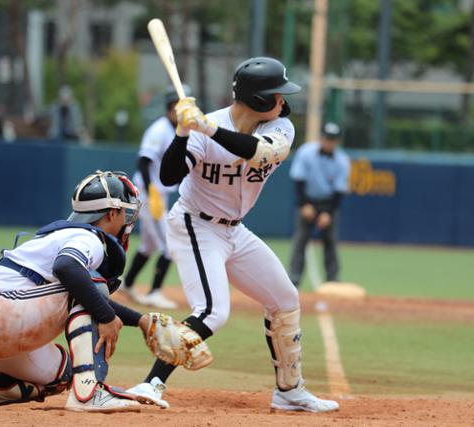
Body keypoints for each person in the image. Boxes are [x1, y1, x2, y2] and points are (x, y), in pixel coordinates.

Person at [125, 57, 339, 413]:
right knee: (212, 311)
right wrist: (183, 132)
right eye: (277, 95)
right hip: (195, 224)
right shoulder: (204, 128)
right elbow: (168, 176)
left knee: (285, 299)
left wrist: (205, 128)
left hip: (234, 230)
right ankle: (150, 384)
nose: (284, 102)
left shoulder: (281, 129)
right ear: (257, 100)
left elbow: (260, 153)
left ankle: (288, 391)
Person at [0, 171, 209, 412]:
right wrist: (104, 316)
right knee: (91, 288)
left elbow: (69, 285)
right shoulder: (88, 237)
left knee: (66, 373)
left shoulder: (63, 235)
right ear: (111, 214)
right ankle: (90, 393)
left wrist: (141, 321)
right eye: (126, 213)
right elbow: (68, 269)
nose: (128, 221)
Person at [121, 85, 193, 310]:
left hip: (158, 194)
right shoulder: (159, 129)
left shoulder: (179, 129)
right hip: (147, 193)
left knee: (150, 245)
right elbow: (144, 160)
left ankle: (128, 283)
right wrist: (151, 190)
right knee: (170, 245)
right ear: (172, 108)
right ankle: (154, 292)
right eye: (180, 107)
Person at [288, 122, 351, 288]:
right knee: (300, 240)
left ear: (337, 142)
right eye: (327, 138)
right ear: (321, 138)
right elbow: (298, 181)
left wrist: (328, 213)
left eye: (333, 140)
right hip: (308, 200)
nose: (329, 142)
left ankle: (333, 280)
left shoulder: (342, 161)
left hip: (328, 203)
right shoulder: (306, 152)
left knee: (330, 242)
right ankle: (293, 280)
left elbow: (339, 191)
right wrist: (304, 204)